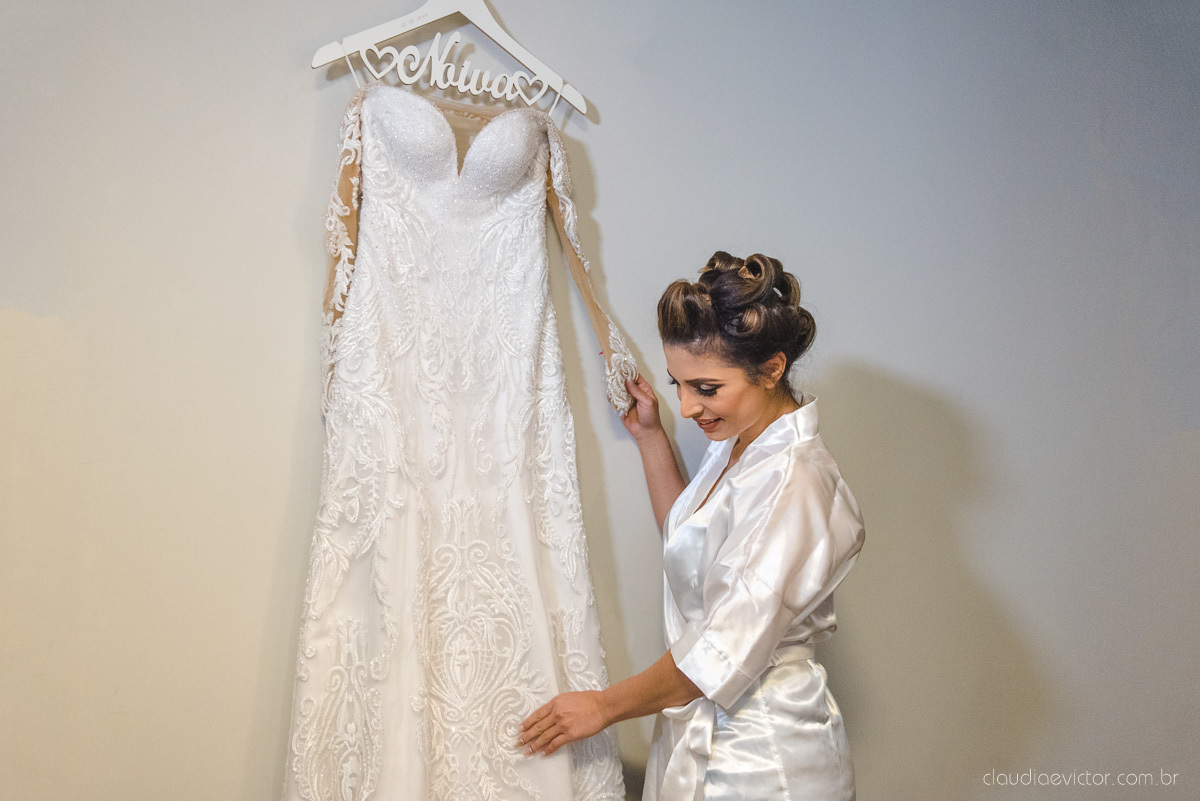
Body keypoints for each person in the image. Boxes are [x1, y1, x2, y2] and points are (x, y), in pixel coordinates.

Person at [517, 251, 866, 800]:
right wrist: (650, 437)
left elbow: (719, 651)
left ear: (772, 369)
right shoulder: (742, 439)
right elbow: (691, 543)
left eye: (705, 388)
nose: (686, 407)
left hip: (763, 757)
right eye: (677, 383)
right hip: (701, 728)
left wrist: (604, 706)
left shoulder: (796, 483)